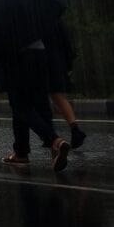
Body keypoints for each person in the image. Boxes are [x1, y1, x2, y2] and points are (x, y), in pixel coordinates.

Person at [0, 39, 72, 171]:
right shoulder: (33, 17)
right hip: (39, 53)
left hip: (15, 56)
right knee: (41, 104)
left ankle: (55, 141)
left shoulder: (0, 19)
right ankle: (22, 152)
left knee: (20, 106)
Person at [43, 20, 86, 148]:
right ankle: (74, 129)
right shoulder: (56, 20)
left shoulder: (37, 19)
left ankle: (50, 135)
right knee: (58, 96)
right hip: (58, 61)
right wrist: (68, 63)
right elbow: (67, 43)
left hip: (45, 61)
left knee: (48, 97)